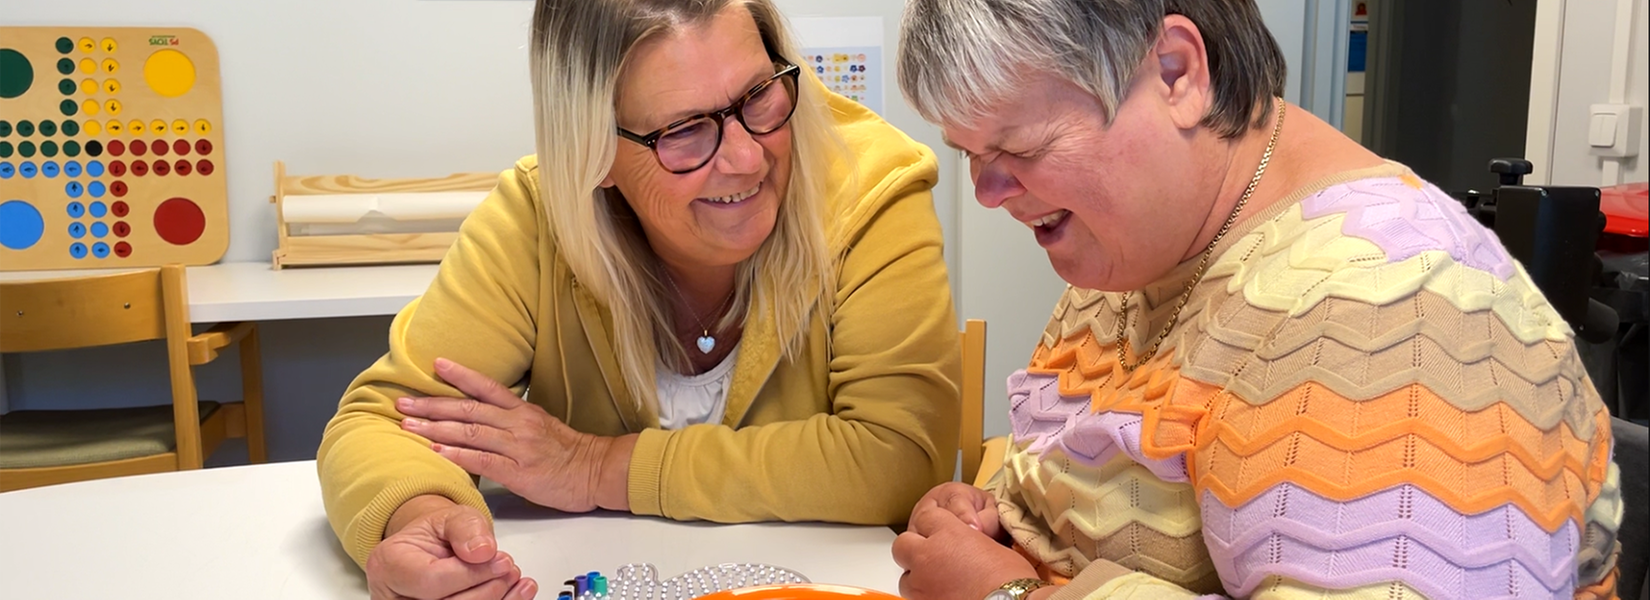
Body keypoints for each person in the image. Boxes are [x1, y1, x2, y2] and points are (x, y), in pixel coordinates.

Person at [891, 1, 1621, 599]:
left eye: (1019, 147)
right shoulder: (1144, 249)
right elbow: (1071, 483)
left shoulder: (1393, 310)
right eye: (971, 156)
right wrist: (987, 523)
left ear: (1176, 72)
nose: (987, 195)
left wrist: (1007, 595)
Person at [316, 0, 963, 598]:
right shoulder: (536, 215)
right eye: (684, 130)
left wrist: (598, 467)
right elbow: (380, 422)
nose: (745, 158)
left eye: (759, 95)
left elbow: (895, 458)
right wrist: (420, 520)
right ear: (593, 150)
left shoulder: (872, 187)